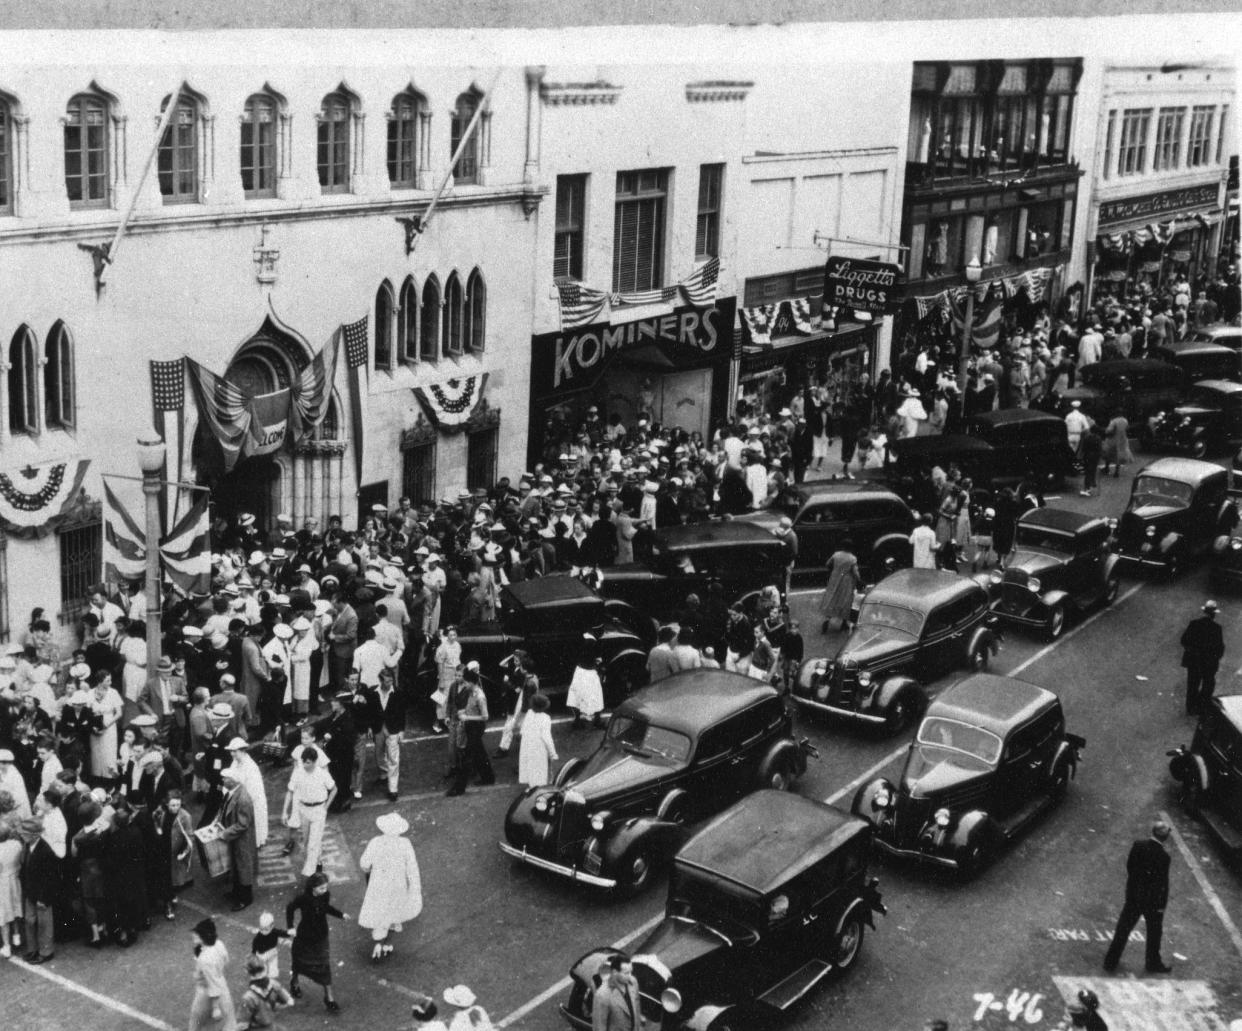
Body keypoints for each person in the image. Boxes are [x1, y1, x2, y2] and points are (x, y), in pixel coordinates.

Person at [1103, 820, 1173, 974]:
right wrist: (1161, 904)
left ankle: (1110, 961)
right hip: (1152, 902)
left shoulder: (1138, 845)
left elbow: (1130, 867)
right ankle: (1153, 963)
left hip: (1134, 897)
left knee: (1123, 929)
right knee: (1154, 933)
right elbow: (1162, 883)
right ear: (1164, 836)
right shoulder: (1164, 857)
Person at [357, 811, 422, 961]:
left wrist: (370, 870)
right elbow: (412, 868)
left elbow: (364, 864)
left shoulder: (376, 842)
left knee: (380, 910)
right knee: (394, 911)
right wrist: (414, 887)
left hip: (378, 884)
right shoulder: (405, 843)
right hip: (398, 884)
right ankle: (387, 943)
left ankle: (378, 942)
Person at [286, 870, 349, 1012]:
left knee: (324, 965)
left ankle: (329, 998)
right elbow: (290, 908)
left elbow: (326, 908)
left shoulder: (325, 895)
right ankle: (294, 982)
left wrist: (341, 914)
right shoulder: (303, 898)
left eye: (326, 887)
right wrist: (290, 927)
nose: (325, 890)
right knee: (298, 961)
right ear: (313, 887)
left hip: (320, 936)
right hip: (305, 936)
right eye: (321, 888)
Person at [281, 745, 336, 878]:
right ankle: (318, 863)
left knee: (313, 844)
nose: (305, 765)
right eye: (304, 761)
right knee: (307, 842)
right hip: (304, 810)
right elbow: (290, 791)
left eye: (308, 762)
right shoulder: (298, 772)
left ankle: (309, 874)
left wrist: (326, 807)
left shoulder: (322, 774)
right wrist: (284, 812)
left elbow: (334, 789)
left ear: (315, 761)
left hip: (318, 810)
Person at [217, 765, 258, 911]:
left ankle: (246, 898)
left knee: (243, 868)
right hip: (235, 837)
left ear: (233, 781)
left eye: (225, 778)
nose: (222, 779)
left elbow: (243, 824)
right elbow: (224, 809)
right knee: (237, 866)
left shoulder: (243, 798)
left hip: (242, 840)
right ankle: (236, 892)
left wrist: (224, 833)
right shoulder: (232, 792)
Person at [188, 917, 237, 1031]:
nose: (194, 935)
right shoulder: (219, 944)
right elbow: (226, 960)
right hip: (223, 986)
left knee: (197, 1022)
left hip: (206, 993)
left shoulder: (204, 959)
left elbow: (213, 986)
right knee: (228, 1021)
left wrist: (215, 1008)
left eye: (197, 933)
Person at [153, 788, 195, 921]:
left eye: (177, 804)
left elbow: (190, 837)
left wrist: (184, 852)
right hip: (162, 848)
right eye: (172, 805)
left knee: (170, 879)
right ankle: (169, 900)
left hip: (175, 853)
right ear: (167, 804)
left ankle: (168, 903)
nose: (175, 808)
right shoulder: (161, 811)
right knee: (166, 878)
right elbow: (155, 819)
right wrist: (158, 829)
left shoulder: (185, 817)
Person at [1180, 600, 1225, 715]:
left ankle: (1190, 708)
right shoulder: (1216, 628)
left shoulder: (1194, 623)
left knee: (1192, 685)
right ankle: (1201, 704)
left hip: (1193, 661)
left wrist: (1192, 651)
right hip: (1208, 663)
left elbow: (1184, 640)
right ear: (1214, 614)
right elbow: (1219, 647)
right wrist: (1215, 659)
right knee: (1208, 684)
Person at [238, 955, 295, 1029]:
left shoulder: (248, 997)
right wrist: (273, 1007)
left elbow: (243, 1024)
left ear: (246, 971)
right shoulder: (274, 984)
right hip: (271, 1027)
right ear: (265, 968)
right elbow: (290, 1002)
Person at [592, 955, 646, 1031]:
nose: (630, 976)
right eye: (626, 973)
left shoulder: (633, 982)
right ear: (614, 972)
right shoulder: (602, 995)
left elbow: (637, 1006)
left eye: (631, 972)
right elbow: (599, 1027)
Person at [819, 540, 862, 634]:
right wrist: (859, 580)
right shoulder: (852, 558)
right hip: (846, 581)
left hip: (834, 578)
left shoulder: (836, 554)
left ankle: (827, 620)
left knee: (832, 598)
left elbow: (828, 564)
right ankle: (843, 623)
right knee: (845, 600)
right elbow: (855, 572)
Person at [518, 692, 558, 787]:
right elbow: (547, 737)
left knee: (530, 768)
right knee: (539, 770)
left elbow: (522, 730)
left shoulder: (529, 714)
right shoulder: (545, 718)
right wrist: (553, 753)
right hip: (538, 747)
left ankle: (531, 786)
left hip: (527, 745)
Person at [567, 636, 605, 729]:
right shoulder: (593, 643)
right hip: (590, 673)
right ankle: (597, 721)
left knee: (577, 695)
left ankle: (577, 721)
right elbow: (598, 660)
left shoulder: (582, 641)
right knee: (596, 696)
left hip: (579, 671)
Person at [250, 910, 292, 981]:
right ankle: (267, 978)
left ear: (272, 926)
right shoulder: (271, 932)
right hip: (264, 954)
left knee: (271, 968)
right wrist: (289, 933)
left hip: (267, 953)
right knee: (266, 968)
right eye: (262, 929)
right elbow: (282, 933)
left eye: (266, 929)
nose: (264, 931)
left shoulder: (259, 936)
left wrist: (289, 933)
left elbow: (282, 933)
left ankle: (268, 978)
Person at [1080, 425, 1104, 497]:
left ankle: (1087, 488)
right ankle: (1091, 484)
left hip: (1087, 456)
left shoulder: (1087, 438)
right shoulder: (1098, 438)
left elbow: (1083, 448)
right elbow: (1100, 449)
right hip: (1095, 457)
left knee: (1087, 472)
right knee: (1092, 471)